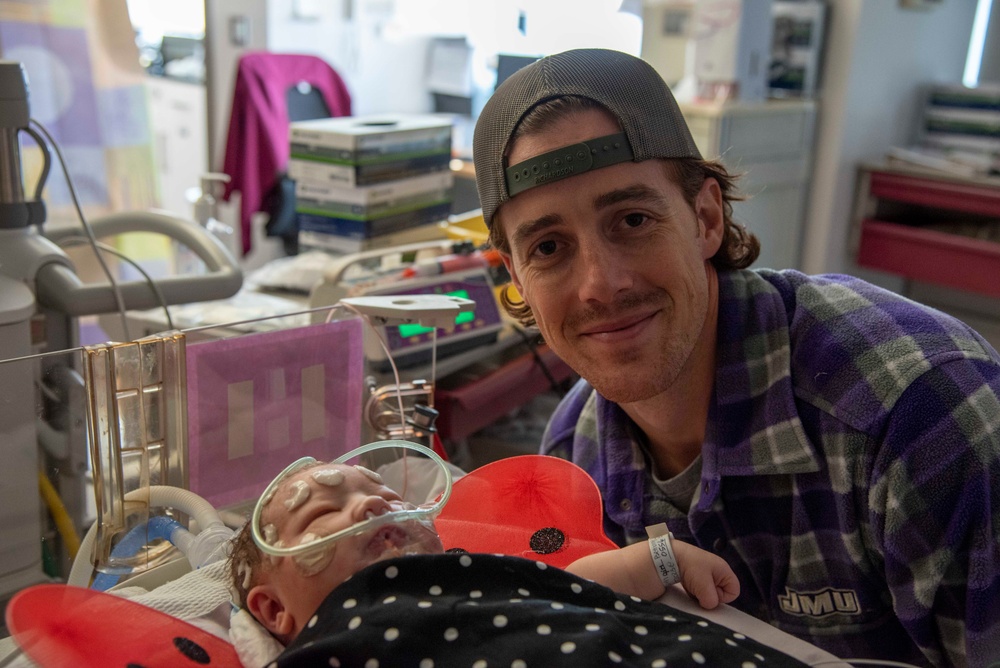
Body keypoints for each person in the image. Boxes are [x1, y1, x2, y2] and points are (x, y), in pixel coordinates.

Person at [471, 48, 1000, 667]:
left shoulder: (919, 416)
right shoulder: (575, 458)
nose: (599, 284)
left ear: (705, 217)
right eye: (549, 247)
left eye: (632, 219)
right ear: (516, 278)